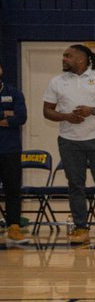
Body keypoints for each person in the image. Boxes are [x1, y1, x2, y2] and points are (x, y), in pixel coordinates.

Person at [42, 44, 95, 243]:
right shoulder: (57, 82)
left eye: (68, 56)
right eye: (64, 55)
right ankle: (80, 228)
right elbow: (47, 111)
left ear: (82, 58)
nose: (64, 59)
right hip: (69, 141)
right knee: (75, 185)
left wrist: (94, 111)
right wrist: (66, 116)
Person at [1, 62, 29, 241]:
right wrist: (5, 114)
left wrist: (10, 117)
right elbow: (11, 116)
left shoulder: (13, 93)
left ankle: (14, 227)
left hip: (9, 150)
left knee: (13, 190)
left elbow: (21, 117)